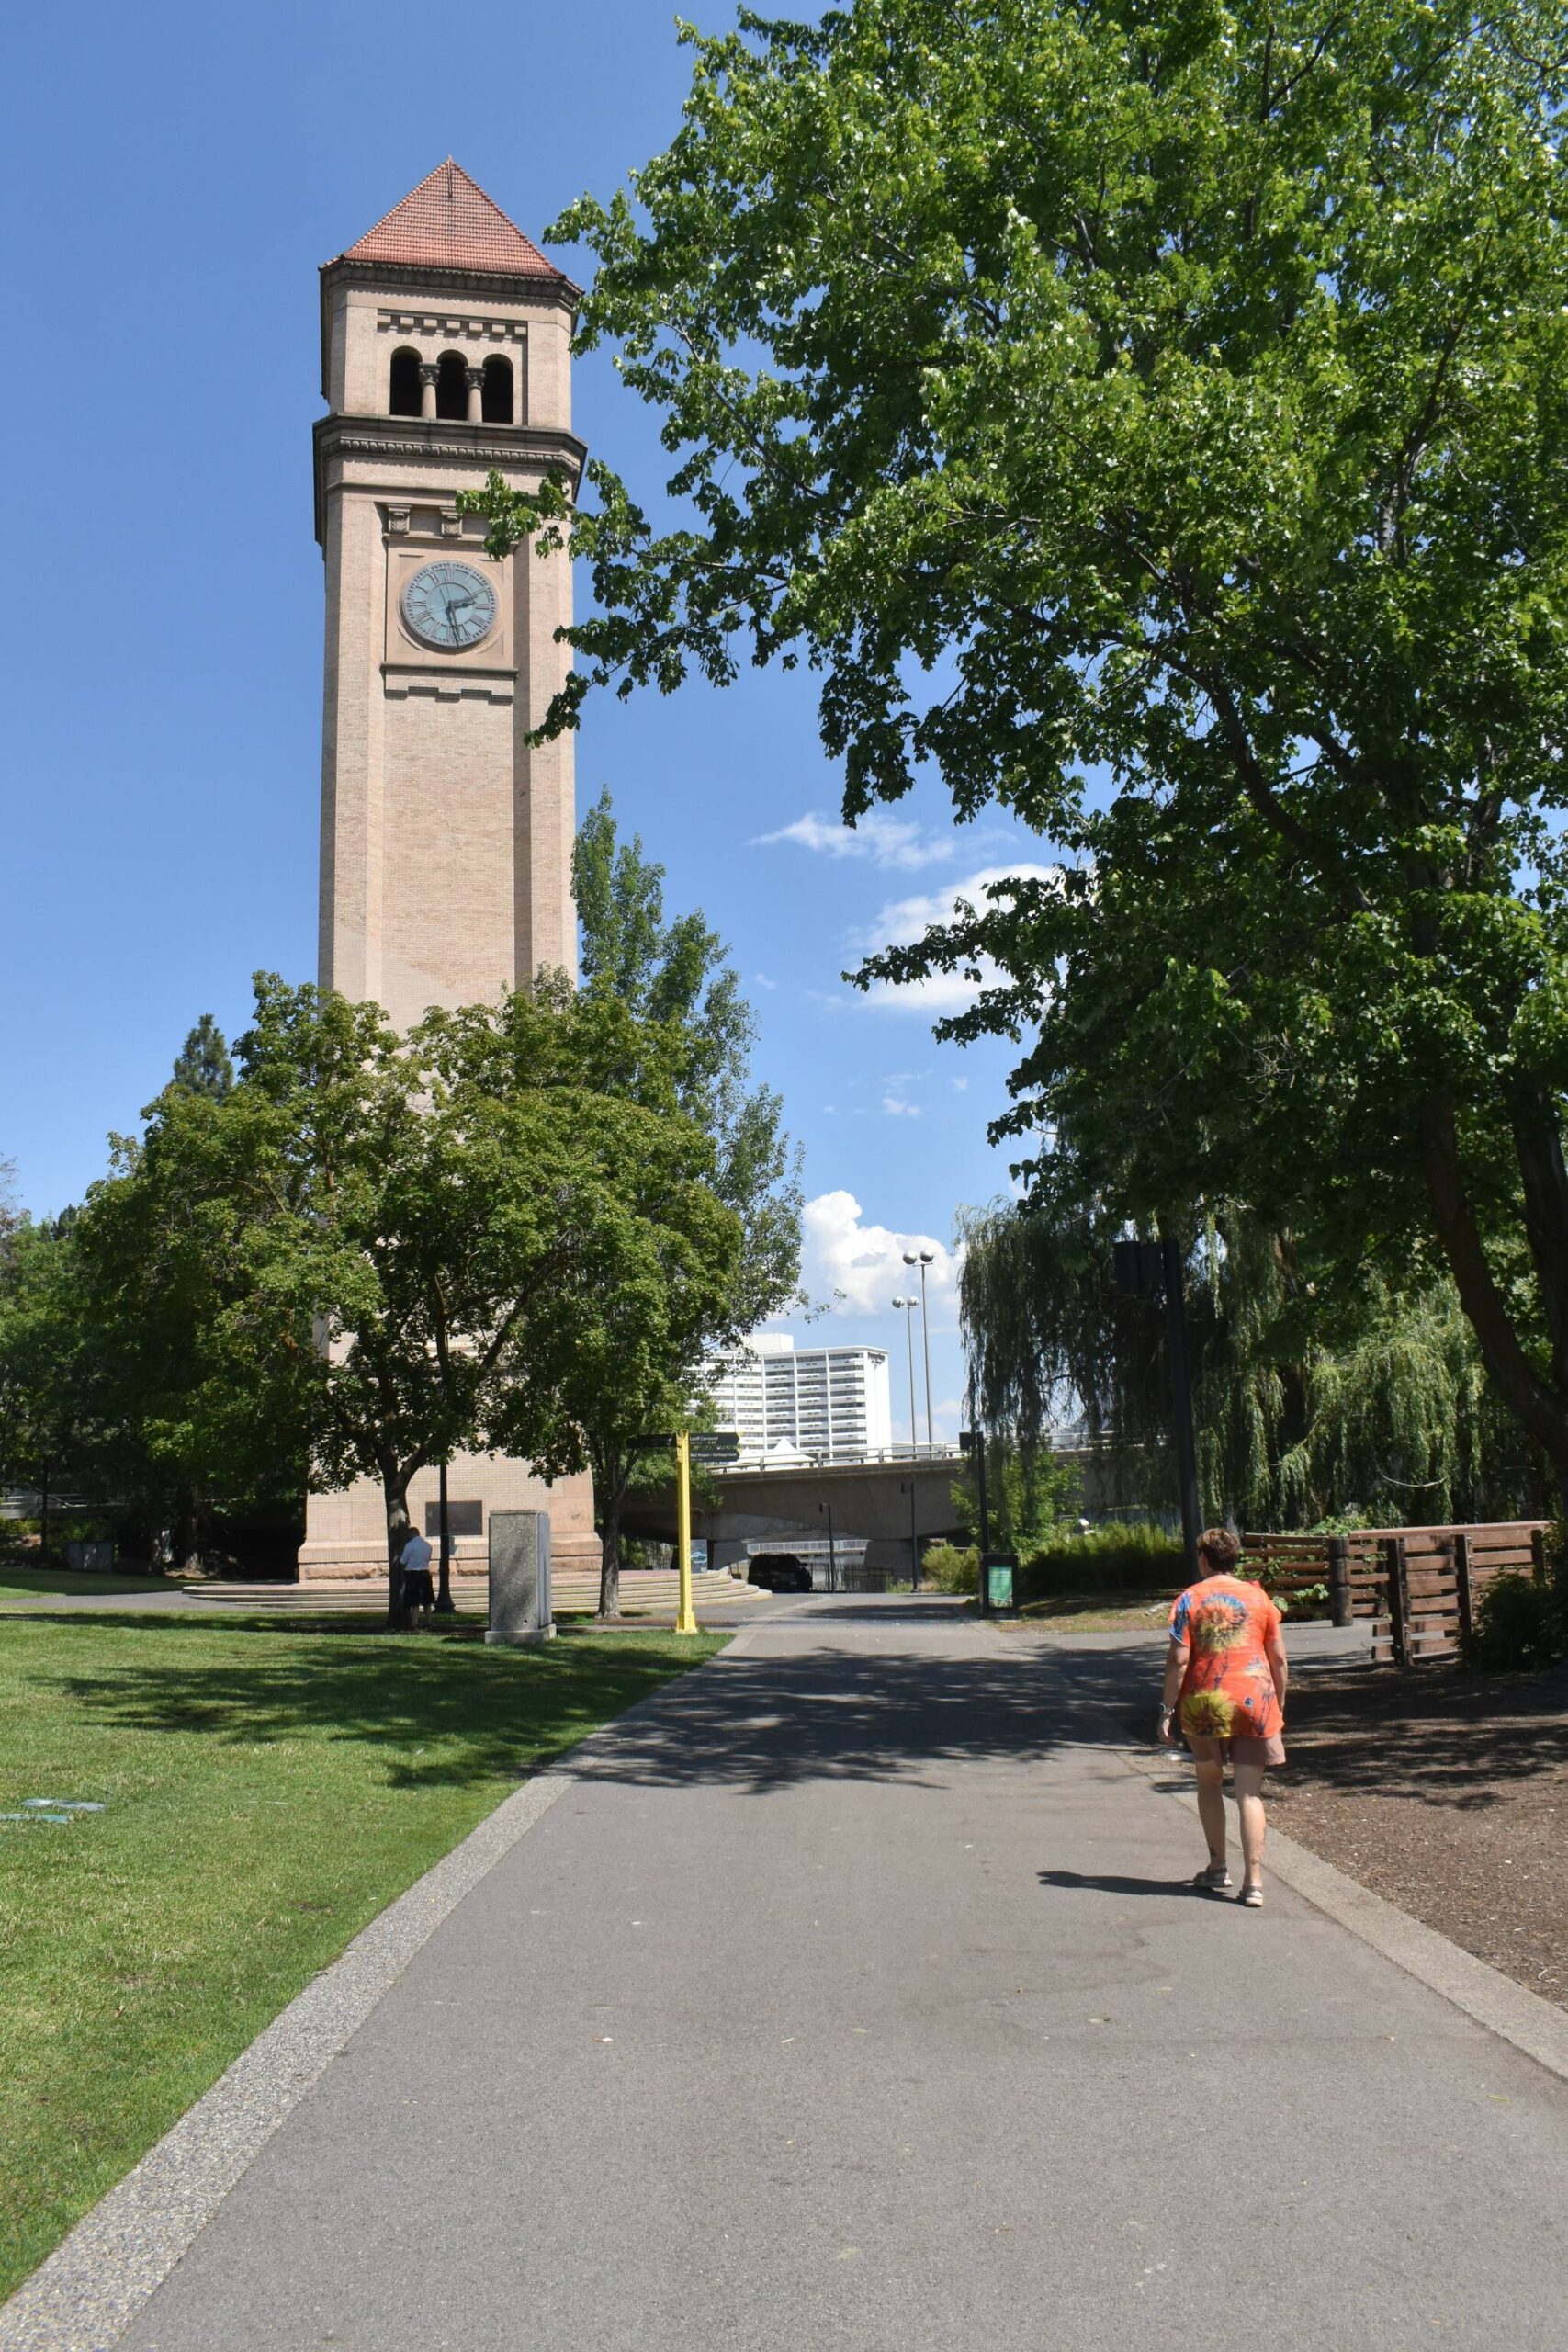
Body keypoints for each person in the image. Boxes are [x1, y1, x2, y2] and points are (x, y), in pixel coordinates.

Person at [1158, 1526, 1288, 1907]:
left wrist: (1166, 1710)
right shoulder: (1259, 1598)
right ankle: (1254, 1883)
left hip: (1205, 1703)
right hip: (1255, 1701)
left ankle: (1218, 1866)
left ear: (1203, 1558)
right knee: (1249, 1793)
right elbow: (1278, 1657)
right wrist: (1277, 1701)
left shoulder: (1187, 1600)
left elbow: (1179, 1660)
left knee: (1209, 1782)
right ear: (1234, 1559)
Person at [399, 1525, 435, 1629]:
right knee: (427, 1600)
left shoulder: (409, 1545)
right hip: (425, 1573)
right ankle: (429, 1621)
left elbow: (403, 1561)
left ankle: (414, 1623)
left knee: (414, 1601)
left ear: (411, 1534)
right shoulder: (428, 1545)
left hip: (412, 1574)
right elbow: (428, 1559)